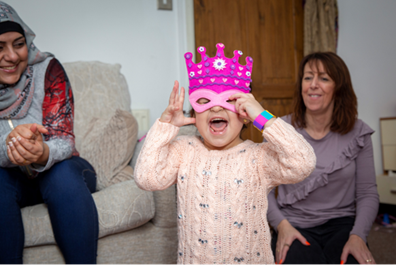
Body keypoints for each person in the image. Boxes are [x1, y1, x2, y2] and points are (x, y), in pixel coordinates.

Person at [134, 43, 316, 264]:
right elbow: (146, 177)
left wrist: (263, 117)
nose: (217, 108)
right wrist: (165, 127)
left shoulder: (259, 158)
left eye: (229, 100)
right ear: (193, 112)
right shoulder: (184, 150)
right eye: (205, 101)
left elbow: (303, 162)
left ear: (245, 114)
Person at [0, 2, 98, 264]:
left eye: (18, 44)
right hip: (9, 180)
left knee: (61, 172)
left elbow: (63, 139)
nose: (11, 56)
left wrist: (42, 151)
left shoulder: (47, 69)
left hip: (61, 170)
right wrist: (11, 145)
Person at [267, 52, 379, 265]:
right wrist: (281, 226)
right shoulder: (280, 129)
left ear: (339, 88)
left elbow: (367, 193)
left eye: (324, 78)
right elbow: (264, 189)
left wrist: (358, 236)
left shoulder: (359, 133)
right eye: (308, 77)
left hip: (343, 224)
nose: (313, 85)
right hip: (293, 223)